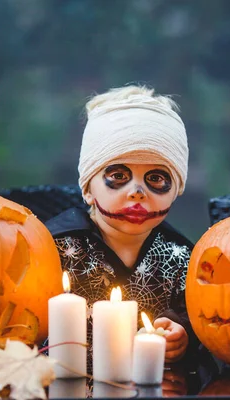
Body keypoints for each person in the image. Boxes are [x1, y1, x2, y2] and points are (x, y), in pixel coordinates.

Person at [45, 84, 196, 363]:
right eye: (118, 175)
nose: (137, 191)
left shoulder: (185, 259)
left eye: (156, 178)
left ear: (177, 189)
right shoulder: (50, 248)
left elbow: (202, 318)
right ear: (88, 188)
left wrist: (182, 333)